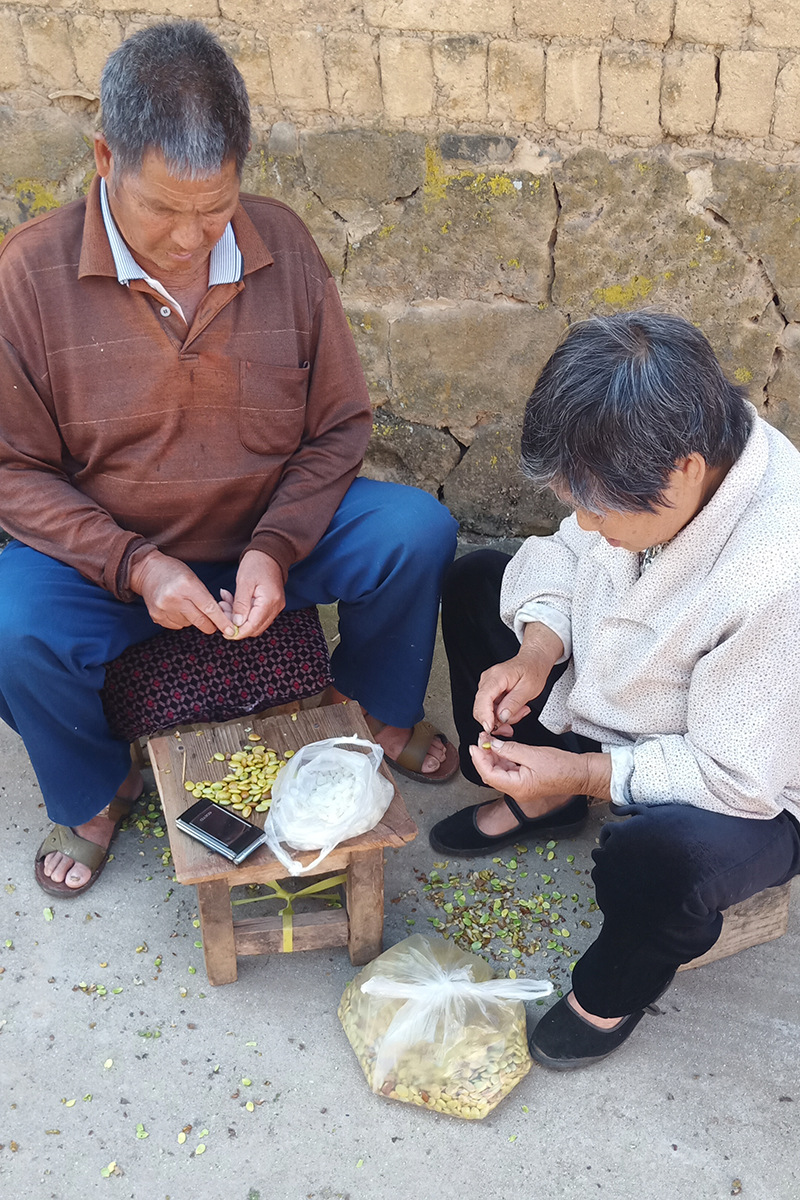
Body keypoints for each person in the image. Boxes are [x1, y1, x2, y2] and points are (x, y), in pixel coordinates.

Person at [0, 20, 458, 899]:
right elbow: (13, 473)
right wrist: (136, 565)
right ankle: (98, 790)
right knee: (15, 623)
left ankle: (374, 713)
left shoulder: (280, 243)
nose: (188, 237)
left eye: (214, 210)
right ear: (105, 157)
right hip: (113, 554)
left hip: (265, 531)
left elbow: (338, 426)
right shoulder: (29, 275)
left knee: (415, 531)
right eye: (163, 209)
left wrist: (277, 545)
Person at [432, 311, 800, 1069]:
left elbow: (735, 776)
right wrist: (537, 651)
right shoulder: (657, 463)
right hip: (636, 704)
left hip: (757, 779)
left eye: (601, 508)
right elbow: (565, 553)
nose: (585, 523)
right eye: (578, 500)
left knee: (658, 860)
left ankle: (610, 993)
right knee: (480, 579)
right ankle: (548, 802)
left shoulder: (776, 574)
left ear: (686, 470)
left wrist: (592, 772)